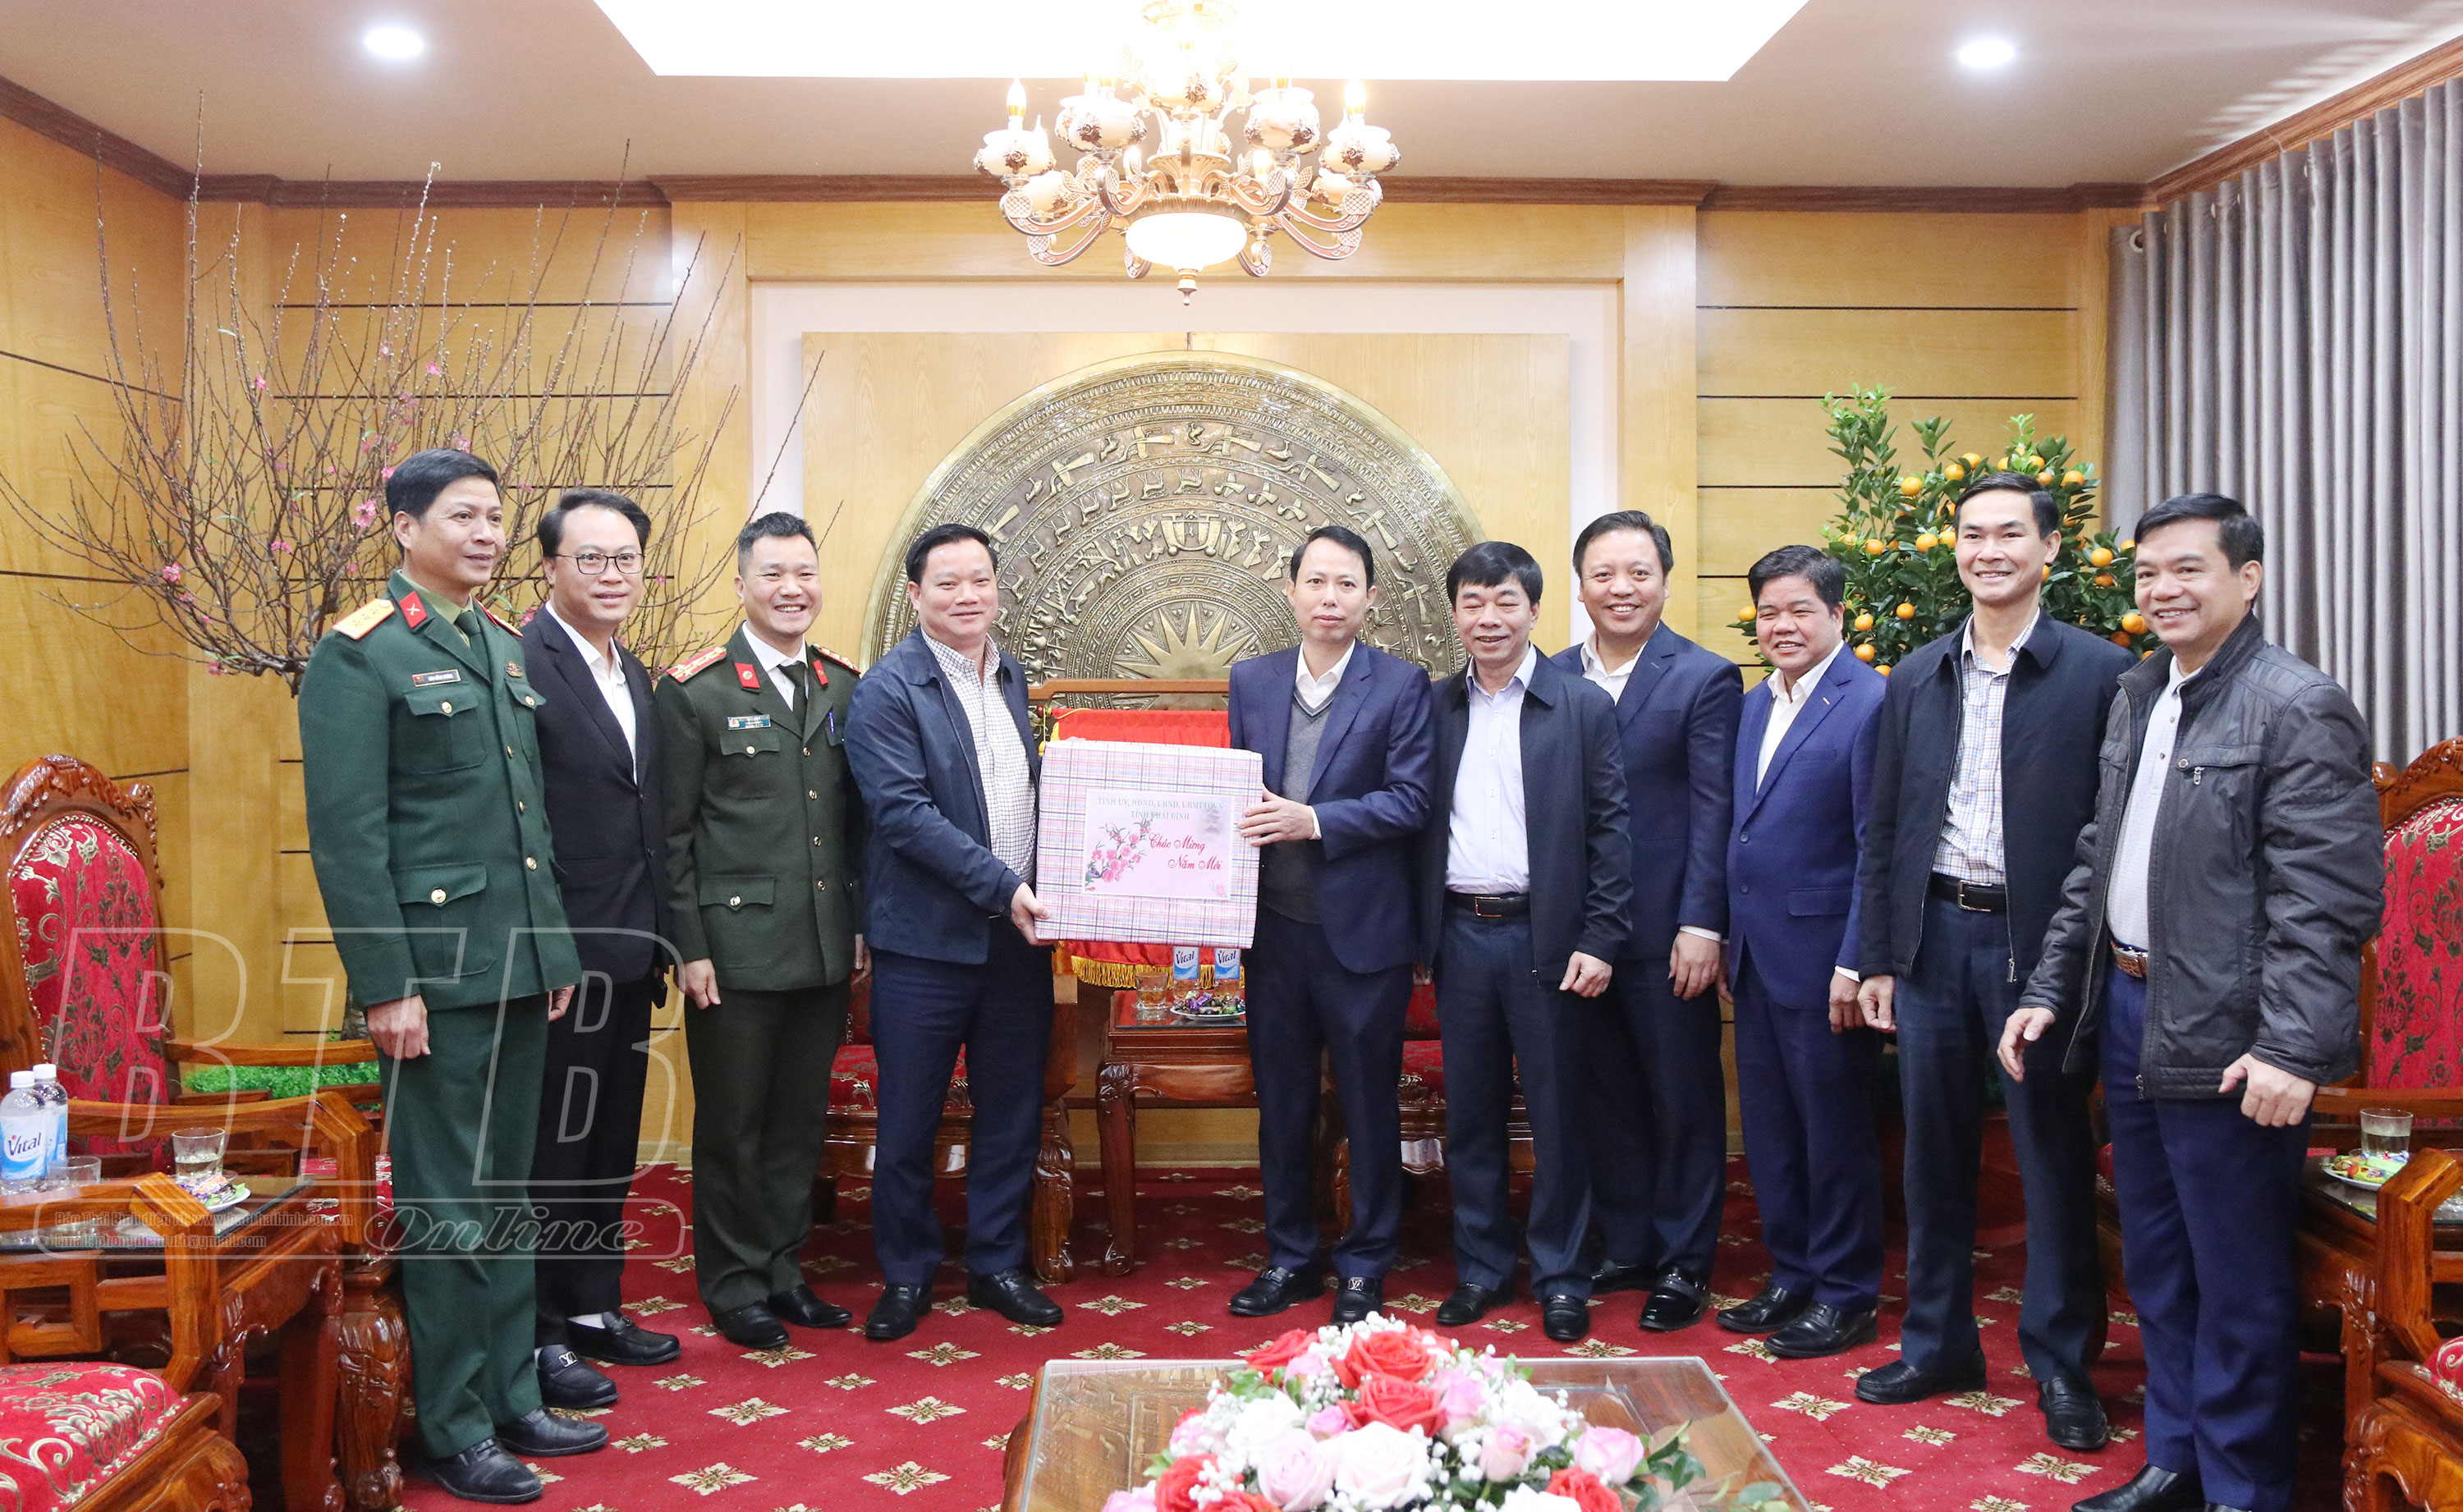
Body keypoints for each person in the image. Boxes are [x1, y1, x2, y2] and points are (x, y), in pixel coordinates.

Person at [2002, 494, 2380, 1512]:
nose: (2161, 591)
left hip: (2233, 1038)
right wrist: (2051, 989)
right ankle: (2177, 1461)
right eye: (2147, 574)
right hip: (2131, 1011)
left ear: (2247, 580)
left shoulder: (2297, 706)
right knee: (2162, 1265)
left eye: (2187, 570)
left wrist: (2292, 1049)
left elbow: (2326, 901)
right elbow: (2099, 861)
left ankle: (2243, 1489)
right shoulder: (2142, 692)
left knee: (2237, 1277)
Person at [299, 447, 603, 1503]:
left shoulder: (497, 642)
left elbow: (528, 825)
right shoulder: (361, 655)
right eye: (463, 516)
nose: (486, 534)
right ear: (404, 526)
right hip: (434, 980)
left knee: (508, 1194)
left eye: (495, 517)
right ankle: (455, 1423)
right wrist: (388, 984)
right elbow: (349, 840)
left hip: (517, 966)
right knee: (448, 1207)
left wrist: (552, 951)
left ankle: (512, 1392)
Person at [1848, 474, 2131, 1445]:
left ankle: (2062, 1363)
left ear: (2049, 549)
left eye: (2011, 534)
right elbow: (1887, 827)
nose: (1989, 551)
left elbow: (2110, 831)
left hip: (2037, 948)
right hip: (1933, 938)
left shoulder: (2101, 672)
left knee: (2050, 1157)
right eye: (1972, 535)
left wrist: (2072, 961)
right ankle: (1937, 1344)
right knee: (1932, 1154)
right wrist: (1880, 956)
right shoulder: (1918, 674)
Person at [844, 523, 1063, 1342]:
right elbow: (903, 815)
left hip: (1014, 944)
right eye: (947, 583)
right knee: (910, 1118)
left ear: (997, 589)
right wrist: (1006, 886)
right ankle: (907, 1273)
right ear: (915, 596)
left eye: (980, 580)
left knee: (1011, 1110)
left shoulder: (1010, 675)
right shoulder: (887, 690)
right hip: (926, 944)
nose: (967, 596)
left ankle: (997, 1264)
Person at [656, 511, 865, 1350]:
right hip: (732, 950)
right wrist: (689, 947)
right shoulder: (696, 691)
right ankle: (734, 1282)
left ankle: (783, 1269)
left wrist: (856, 922)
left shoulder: (842, 684)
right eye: (773, 574)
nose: (791, 589)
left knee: (797, 1122)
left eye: (804, 573)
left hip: (822, 940)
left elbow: (852, 822)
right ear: (741, 583)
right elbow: (671, 834)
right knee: (733, 1125)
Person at [1417, 541, 1631, 1344]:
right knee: (1470, 1116)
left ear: (1535, 610)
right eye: (1473, 602)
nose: (1489, 618)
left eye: (1505, 601)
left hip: (1553, 941)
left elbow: (1612, 832)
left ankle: (1562, 1276)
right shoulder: (1434, 707)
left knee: (1557, 1117)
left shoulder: (1581, 706)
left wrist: (1601, 937)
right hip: (1460, 936)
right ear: (1455, 615)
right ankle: (1480, 1269)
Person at [1225, 525, 1434, 1326]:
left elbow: (1411, 801)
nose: (1330, 598)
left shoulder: (1401, 685)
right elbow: (1232, 794)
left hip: (1362, 937)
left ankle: (1365, 1263)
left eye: (1346, 584)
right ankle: (1290, 1258)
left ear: (1370, 597)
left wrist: (1312, 820)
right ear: (1291, 591)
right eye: (1315, 582)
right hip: (1274, 933)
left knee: (1367, 1103)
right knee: (1281, 1104)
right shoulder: (1252, 679)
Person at [1553, 510, 1742, 1334]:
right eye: (1604, 574)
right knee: (1605, 1097)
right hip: (1579, 935)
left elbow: (1715, 810)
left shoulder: (1704, 678)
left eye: (1639, 573)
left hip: (1669, 931)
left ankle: (1684, 1261)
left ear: (1665, 581)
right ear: (1581, 585)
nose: (1621, 589)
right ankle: (1627, 1243)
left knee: (1683, 1098)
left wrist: (1704, 922)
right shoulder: (1552, 675)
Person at [522, 489, 681, 1407]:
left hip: (630, 948)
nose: (612, 575)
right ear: (551, 567)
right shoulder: (523, 663)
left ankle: (592, 1305)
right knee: (554, 1149)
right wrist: (547, 950)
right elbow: (523, 828)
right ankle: (541, 1333)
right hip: (560, 961)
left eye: (625, 559)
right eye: (591, 558)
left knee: (609, 1143)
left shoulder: (634, 670)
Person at [1718, 543, 1887, 1360]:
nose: (1782, 626)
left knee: (1835, 1135)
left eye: (1800, 610)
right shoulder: (1755, 703)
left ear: (1838, 614)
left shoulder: (1869, 701)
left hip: (1829, 965)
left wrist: (1857, 961)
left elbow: (1876, 844)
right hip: (1757, 956)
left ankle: (1847, 1293)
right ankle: (1792, 1274)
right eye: (1769, 612)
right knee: (1774, 1131)